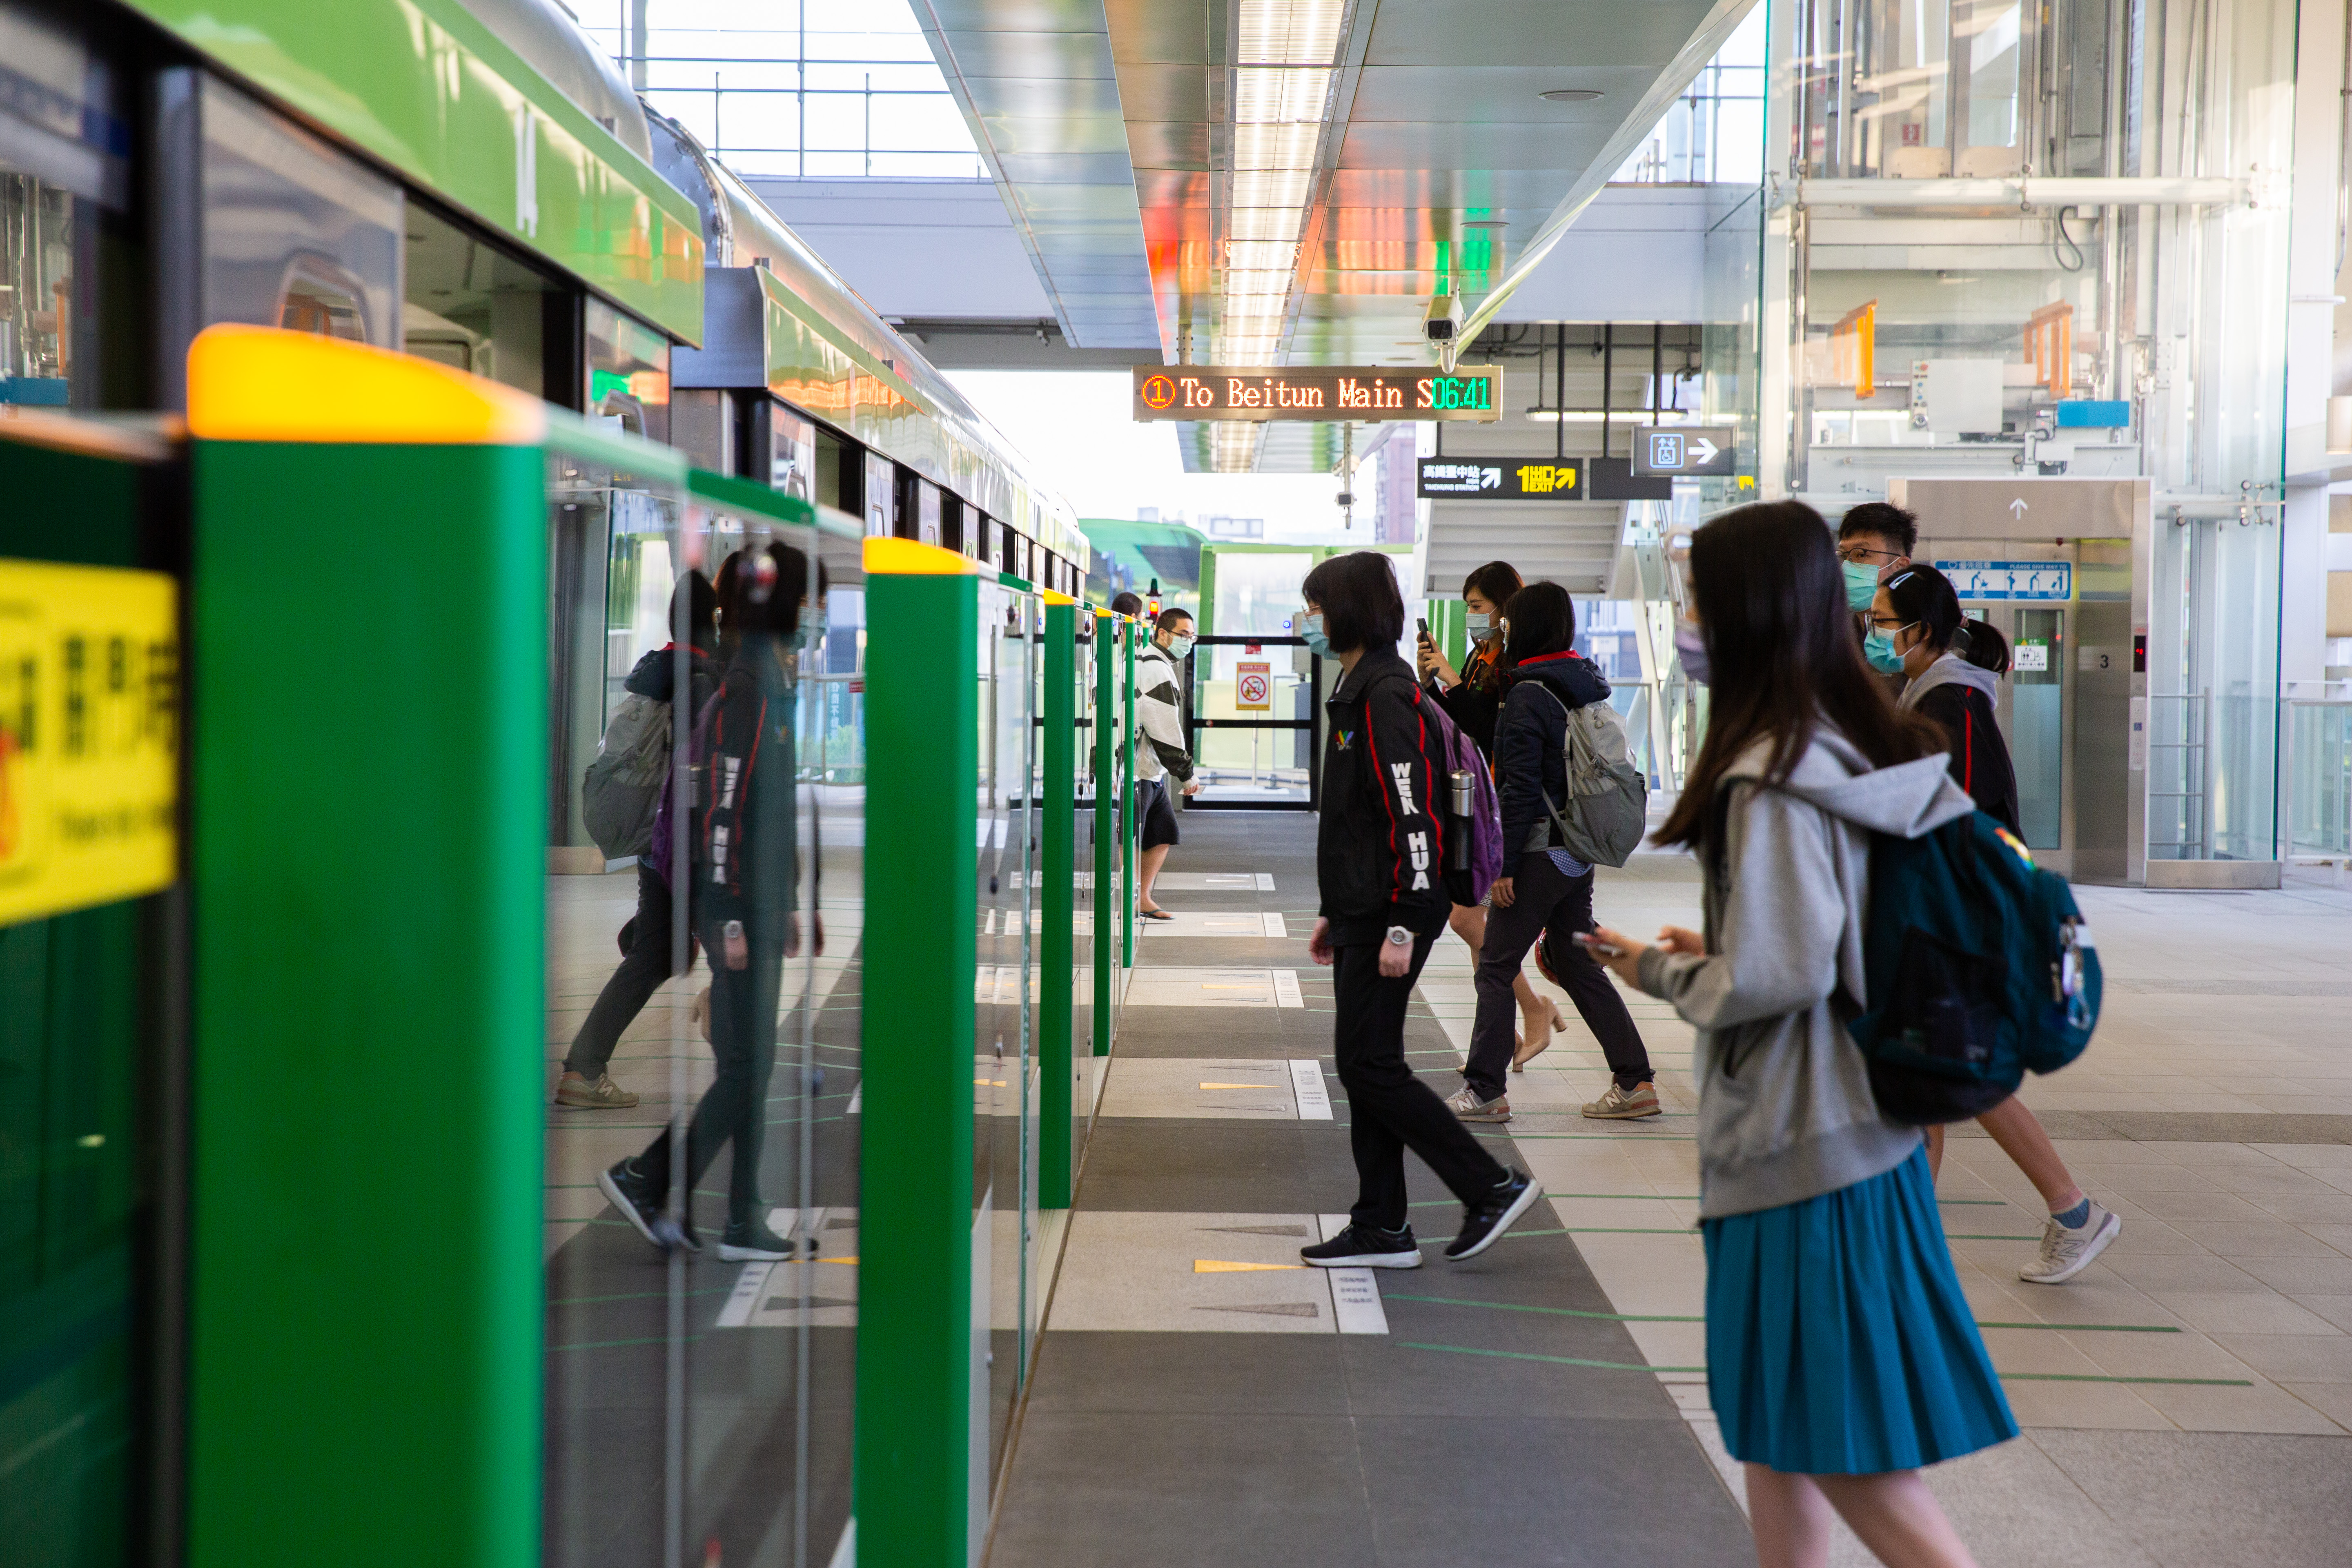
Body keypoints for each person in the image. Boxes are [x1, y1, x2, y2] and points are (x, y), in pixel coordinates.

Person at [1587, 502, 2009, 1568]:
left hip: (1803, 1156)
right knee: (1781, 1439)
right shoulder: (1840, 744)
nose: (1685, 623)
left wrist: (1661, 967)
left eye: (1695, 600)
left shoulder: (1771, 772)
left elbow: (1777, 973)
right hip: (1851, 1141)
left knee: (1846, 1462)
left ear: (1745, 614)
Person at [1293, 552, 1544, 1270]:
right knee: (1366, 1061)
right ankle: (1382, 1224)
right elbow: (1359, 820)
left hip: (1394, 908)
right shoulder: (1361, 686)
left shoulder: (1383, 697)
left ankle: (1487, 1186)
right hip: (1364, 907)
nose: (1309, 618)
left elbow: (1412, 815)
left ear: (1348, 609)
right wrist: (1334, 909)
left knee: (1370, 1065)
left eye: (1316, 605)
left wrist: (1402, 920)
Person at [1875, 564, 2122, 1285]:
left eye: (1886, 619)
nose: (1875, 630)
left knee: (1956, 1073)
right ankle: (1919, 1232)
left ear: (1922, 630)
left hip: (1963, 918)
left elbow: (1970, 817)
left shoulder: (1953, 704)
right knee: (1936, 1071)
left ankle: (2073, 1211)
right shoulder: (1930, 695)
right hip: (1940, 912)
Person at [600, 541, 810, 1263]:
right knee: (748, 1064)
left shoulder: (769, 679)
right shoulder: (747, 686)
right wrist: (725, 914)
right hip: (732, 906)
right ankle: (657, 1181)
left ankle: (727, 1210)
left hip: (753, 903)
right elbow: (721, 808)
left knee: (749, 1062)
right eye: (804, 598)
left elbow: (769, 806)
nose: (812, 612)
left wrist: (785, 899)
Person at [1446, 582, 1658, 1123]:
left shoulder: (1527, 694)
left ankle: (1484, 1090)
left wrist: (1504, 867)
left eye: (1510, 623)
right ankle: (1635, 1082)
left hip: (1540, 851)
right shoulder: (1585, 685)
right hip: (1577, 849)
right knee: (1575, 961)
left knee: (1496, 964)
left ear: (1526, 629)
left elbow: (1517, 789)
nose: (1502, 631)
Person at [554, 571, 719, 1108]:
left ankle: (586, 1065)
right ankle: (586, 1067)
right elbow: (696, 773)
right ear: (713, 621)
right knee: (681, 952)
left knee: (658, 951)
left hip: (655, 834)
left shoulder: (658, 667)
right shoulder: (699, 680)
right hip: (677, 838)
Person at [1416, 559, 1566, 1062]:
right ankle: (1513, 1025)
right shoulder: (1484, 653)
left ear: (1507, 605)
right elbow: (1461, 721)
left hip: (1504, 804)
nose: (1471, 617)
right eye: (1467, 608)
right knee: (1474, 922)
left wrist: (1451, 681)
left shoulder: (1511, 661)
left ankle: (1528, 1012)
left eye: (1478, 607)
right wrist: (1434, 680)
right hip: (1482, 796)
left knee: (1470, 920)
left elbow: (1487, 724)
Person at [1134, 606, 1201, 919]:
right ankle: (1132, 897)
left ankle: (1142, 897)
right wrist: (1186, 774)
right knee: (1132, 837)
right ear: (1162, 634)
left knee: (1162, 833)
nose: (1188, 642)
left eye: (1192, 636)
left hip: (1150, 771)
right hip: (1138, 771)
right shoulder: (1155, 668)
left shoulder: (1158, 663)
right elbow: (1165, 730)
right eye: (1183, 635)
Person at [1838, 502, 1916, 676]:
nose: (1847, 566)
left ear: (1900, 566)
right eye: (1844, 556)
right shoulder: (1833, 635)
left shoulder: (1919, 639)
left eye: (1861, 555)